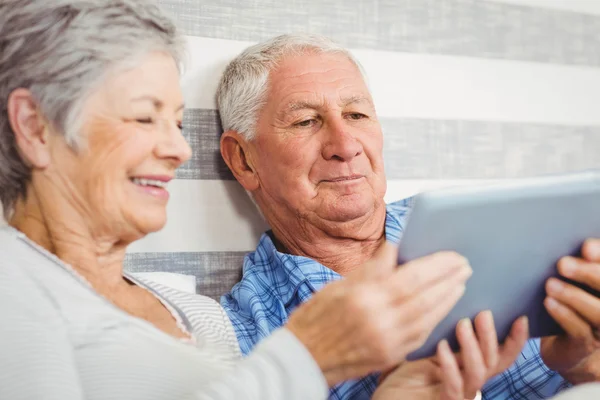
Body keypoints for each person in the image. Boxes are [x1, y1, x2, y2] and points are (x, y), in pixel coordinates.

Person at [0, 1, 525, 399]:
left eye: (178, 123)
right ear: (33, 126)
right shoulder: (13, 281)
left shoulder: (190, 309)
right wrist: (309, 355)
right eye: (144, 116)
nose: (179, 148)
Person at [217, 33, 600, 399]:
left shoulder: (493, 225)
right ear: (243, 159)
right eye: (305, 122)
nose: (346, 145)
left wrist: (584, 366)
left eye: (356, 114)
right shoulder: (250, 341)